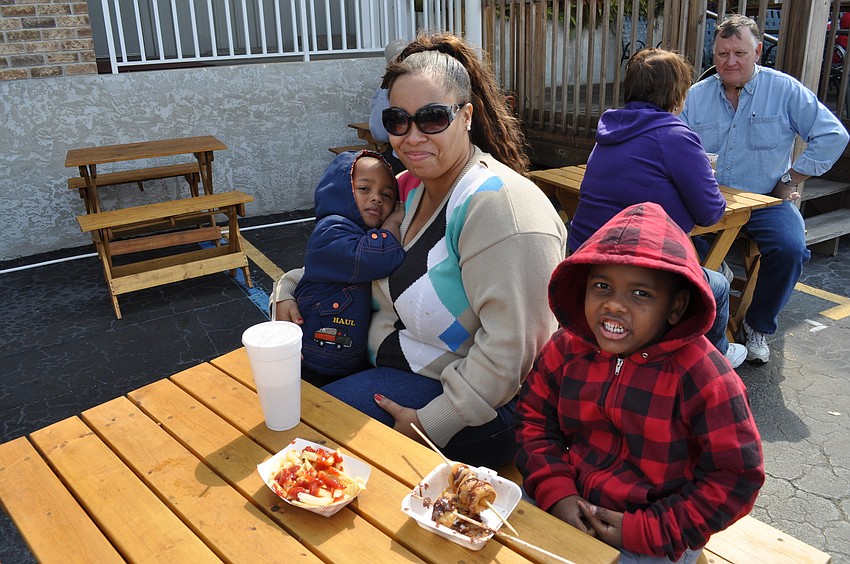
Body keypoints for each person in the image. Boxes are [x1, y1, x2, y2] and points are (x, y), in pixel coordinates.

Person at [273, 32, 567, 468]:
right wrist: (286, 289)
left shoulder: (500, 205)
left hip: (473, 405)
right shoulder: (408, 191)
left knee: (308, 437)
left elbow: (515, 350)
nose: (411, 136)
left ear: (466, 115)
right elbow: (351, 260)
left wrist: (431, 423)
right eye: (398, 120)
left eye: (432, 118)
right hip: (388, 366)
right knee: (272, 407)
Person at [515, 202, 765, 563]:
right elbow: (534, 422)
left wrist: (648, 530)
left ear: (676, 307)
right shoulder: (566, 349)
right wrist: (556, 491)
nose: (614, 306)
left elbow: (735, 477)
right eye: (601, 286)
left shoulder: (704, 377)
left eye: (640, 293)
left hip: (658, 530)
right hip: (567, 498)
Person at [680, 14, 849, 364]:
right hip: (708, 200)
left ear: (757, 51)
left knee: (791, 249)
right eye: (722, 53)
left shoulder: (784, 89)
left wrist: (790, 179)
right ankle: (717, 275)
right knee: (669, 229)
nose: (730, 61)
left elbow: (834, 136)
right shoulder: (695, 96)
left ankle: (758, 325)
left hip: (765, 202)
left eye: (739, 52)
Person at [568, 47, 747, 369]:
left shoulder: (609, 131)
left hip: (583, 257)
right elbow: (710, 212)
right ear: (677, 94)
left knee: (706, 261)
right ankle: (713, 365)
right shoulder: (674, 137)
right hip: (632, 262)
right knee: (717, 286)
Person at [293, 150, 405, 384]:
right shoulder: (331, 230)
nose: (377, 198)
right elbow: (379, 257)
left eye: (386, 194)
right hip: (317, 355)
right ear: (341, 191)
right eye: (365, 189)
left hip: (343, 352)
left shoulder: (359, 231)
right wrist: (393, 222)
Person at [369, 39, 408, 175]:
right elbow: (379, 132)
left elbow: (379, 133)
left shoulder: (386, 89)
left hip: (403, 158)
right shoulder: (387, 89)